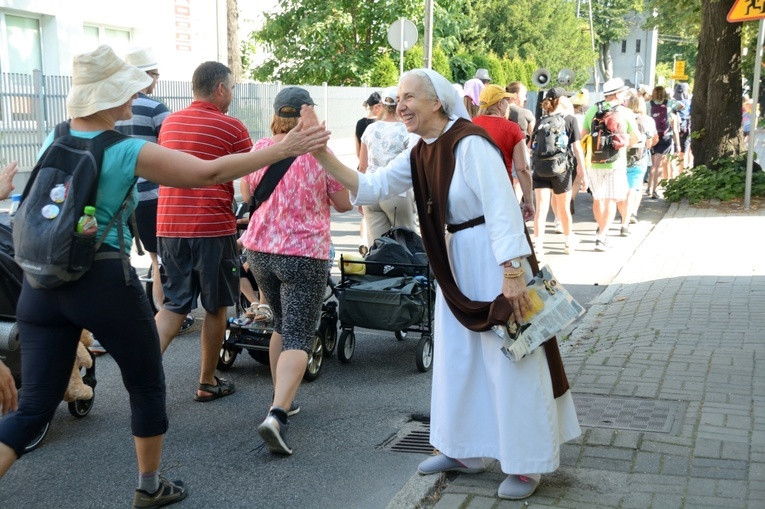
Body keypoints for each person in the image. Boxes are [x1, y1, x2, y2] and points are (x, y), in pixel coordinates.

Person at [0, 45, 328, 507]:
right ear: (109, 98)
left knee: (33, 408)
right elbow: (208, 172)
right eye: (126, 91)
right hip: (101, 283)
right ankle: (150, 486)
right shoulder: (124, 149)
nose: (133, 98)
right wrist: (285, 148)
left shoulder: (53, 138)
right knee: (147, 382)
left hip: (38, 285)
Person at [310, 68, 580, 501]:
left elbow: (502, 208)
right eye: (398, 97)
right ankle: (464, 449)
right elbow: (374, 184)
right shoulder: (421, 147)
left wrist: (513, 274)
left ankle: (527, 463)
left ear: (437, 101)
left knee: (510, 358)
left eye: (409, 96)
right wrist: (322, 154)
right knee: (459, 356)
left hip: (496, 261)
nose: (400, 104)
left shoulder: (470, 142)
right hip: (458, 263)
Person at [239, 87, 351, 455]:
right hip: (304, 253)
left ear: (276, 114)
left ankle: (281, 397)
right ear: (308, 114)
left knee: (280, 325)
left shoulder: (260, 150)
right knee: (300, 335)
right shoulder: (320, 155)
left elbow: (246, 196)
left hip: (260, 252)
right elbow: (344, 203)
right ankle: (277, 414)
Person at [153, 61, 253, 403]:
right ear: (221, 89)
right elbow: (250, 175)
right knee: (215, 306)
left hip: (169, 224)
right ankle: (207, 382)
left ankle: (143, 379)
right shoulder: (232, 127)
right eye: (232, 89)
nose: (232, 96)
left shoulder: (169, 123)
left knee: (174, 304)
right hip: (211, 227)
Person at [112, 46, 194, 357]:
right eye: (155, 74)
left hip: (116, 197)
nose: (157, 80)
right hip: (150, 196)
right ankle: (161, 314)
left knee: (117, 260)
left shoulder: (110, 108)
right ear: (144, 76)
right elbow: (171, 152)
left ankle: (116, 320)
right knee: (158, 259)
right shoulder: (157, 109)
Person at [581, 77, 639, 251]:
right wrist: (627, 143)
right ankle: (602, 236)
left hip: (594, 161)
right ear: (618, 94)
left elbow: (583, 135)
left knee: (598, 199)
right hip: (615, 162)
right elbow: (635, 137)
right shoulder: (625, 112)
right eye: (623, 93)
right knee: (611, 200)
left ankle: (600, 230)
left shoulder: (592, 110)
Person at [358, 86, 418, 247]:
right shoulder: (408, 130)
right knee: (407, 240)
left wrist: (360, 195)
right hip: (397, 191)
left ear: (382, 105)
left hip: (371, 190)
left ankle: (381, 271)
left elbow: (362, 166)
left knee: (377, 245)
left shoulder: (370, 129)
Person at [530, 88, 585, 255]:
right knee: (563, 208)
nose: (569, 100)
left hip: (540, 169)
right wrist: (583, 171)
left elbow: (530, 147)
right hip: (561, 169)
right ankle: (568, 242)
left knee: (541, 209)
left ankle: (538, 247)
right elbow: (577, 147)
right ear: (561, 100)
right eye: (566, 97)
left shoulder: (541, 120)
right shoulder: (570, 119)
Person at [471, 84, 534, 222]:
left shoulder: (469, 126)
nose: (508, 104)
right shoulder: (512, 129)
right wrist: (528, 201)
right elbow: (522, 168)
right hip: (501, 192)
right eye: (506, 101)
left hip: (473, 193)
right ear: (500, 103)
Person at [617, 94, 657, 234]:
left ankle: (624, 214)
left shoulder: (621, 117)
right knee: (635, 188)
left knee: (621, 189)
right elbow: (650, 142)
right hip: (639, 158)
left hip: (620, 158)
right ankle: (631, 214)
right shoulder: (648, 120)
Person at [354, 91, 382, 254]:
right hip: (383, 175)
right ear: (378, 107)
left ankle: (364, 241)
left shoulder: (360, 124)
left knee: (366, 214)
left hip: (365, 173)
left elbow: (358, 153)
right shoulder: (386, 124)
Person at [647, 85, 683, 199]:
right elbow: (682, 106)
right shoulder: (669, 104)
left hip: (652, 137)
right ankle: (655, 190)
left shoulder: (648, 104)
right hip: (665, 137)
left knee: (653, 165)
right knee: (659, 166)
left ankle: (649, 187)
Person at [673, 82, 692, 173]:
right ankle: (681, 173)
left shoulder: (672, 102)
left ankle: (671, 174)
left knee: (673, 152)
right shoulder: (688, 103)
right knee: (683, 152)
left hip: (672, 128)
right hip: (685, 129)